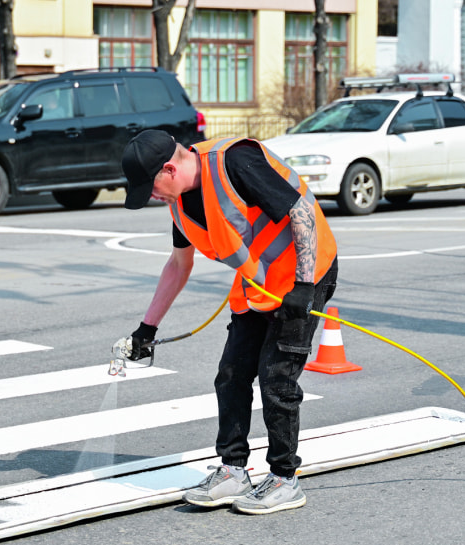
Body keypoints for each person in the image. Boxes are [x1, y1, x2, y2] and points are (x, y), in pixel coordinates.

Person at [120, 130, 338, 515]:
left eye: (151, 186)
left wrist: (303, 288)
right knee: (232, 374)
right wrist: (147, 328)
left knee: (276, 377)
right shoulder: (181, 202)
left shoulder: (233, 162)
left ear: (169, 168)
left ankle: (285, 478)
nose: (152, 196)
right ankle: (233, 471)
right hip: (259, 284)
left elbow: (300, 211)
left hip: (305, 274)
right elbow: (178, 264)